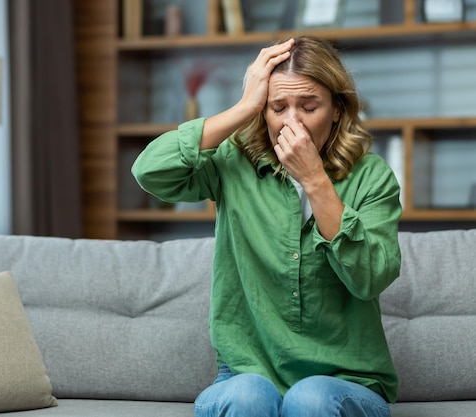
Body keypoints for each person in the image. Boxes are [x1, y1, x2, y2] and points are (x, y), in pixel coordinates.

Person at [131, 35, 402, 417]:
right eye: (277, 107)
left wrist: (315, 180)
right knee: (249, 398)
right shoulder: (234, 163)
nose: (293, 121)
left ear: (337, 110)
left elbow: (371, 276)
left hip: (347, 383)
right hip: (246, 375)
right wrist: (244, 107)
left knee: (309, 400)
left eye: (309, 106)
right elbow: (150, 170)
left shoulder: (372, 177)